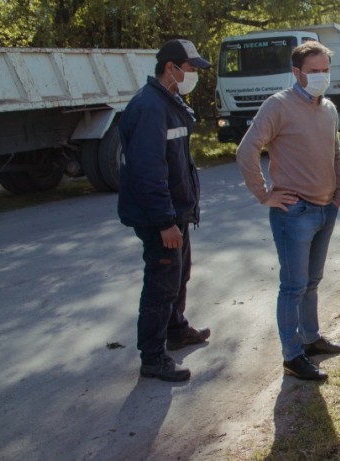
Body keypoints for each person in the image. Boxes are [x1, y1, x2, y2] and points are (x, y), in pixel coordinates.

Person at [236, 41, 340, 381]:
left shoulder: (328, 108)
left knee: (312, 282)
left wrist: (339, 192)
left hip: (327, 207)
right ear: (296, 72)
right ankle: (292, 356)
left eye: (325, 70)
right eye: (314, 71)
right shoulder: (279, 105)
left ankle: (311, 339)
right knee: (293, 286)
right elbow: (246, 150)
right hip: (294, 211)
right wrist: (263, 194)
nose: (321, 77)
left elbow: (335, 152)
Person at [118, 39, 212, 382]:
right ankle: (153, 357)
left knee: (178, 275)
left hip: (176, 212)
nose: (193, 75)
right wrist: (165, 222)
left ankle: (176, 329)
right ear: (171, 68)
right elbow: (148, 172)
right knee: (161, 285)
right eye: (190, 68)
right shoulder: (149, 108)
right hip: (161, 217)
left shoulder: (169, 102)